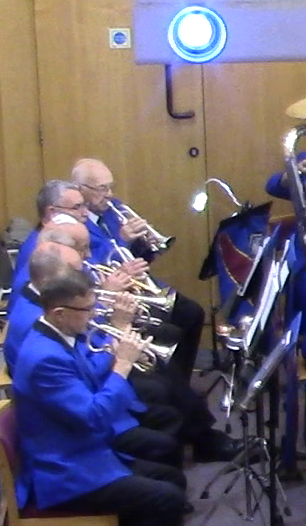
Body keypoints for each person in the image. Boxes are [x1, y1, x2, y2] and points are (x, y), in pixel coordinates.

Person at [10, 272, 186, 526]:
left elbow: (88, 375)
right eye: (87, 309)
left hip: (84, 454)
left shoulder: (58, 336)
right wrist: (122, 366)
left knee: (170, 477)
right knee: (166, 499)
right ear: (59, 313)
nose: (93, 315)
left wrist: (117, 343)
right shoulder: (45, 358)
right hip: (65, 472)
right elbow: (93, 415)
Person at [71, 157, 208, 379]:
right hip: (118, 297)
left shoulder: (113, 209)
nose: (110, 194)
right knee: (177, 325)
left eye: (111, 187)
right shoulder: (78, 225)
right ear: (81, 189)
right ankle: (173, 383)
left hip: (140, 284)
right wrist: (123, 239)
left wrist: (146, 245)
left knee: (194, 313)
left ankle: (181, 381)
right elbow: (96, 268)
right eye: (102, 188)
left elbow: (133, 260)